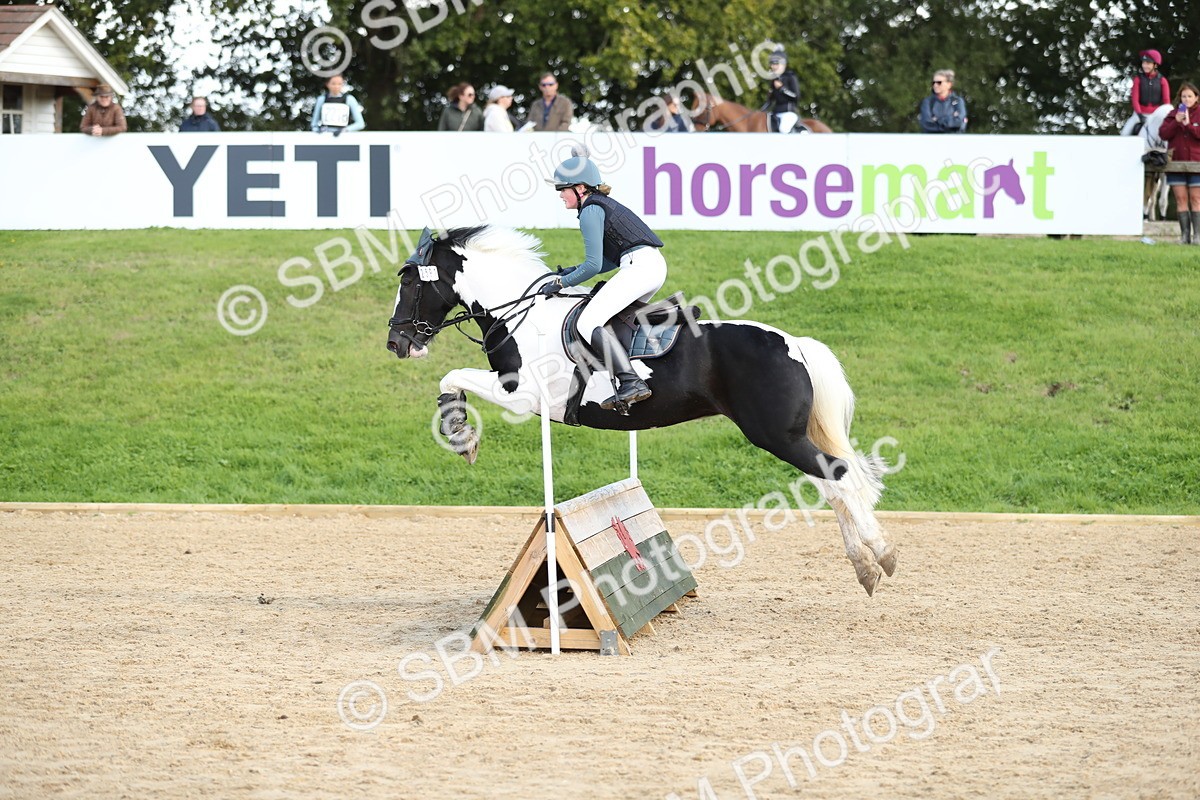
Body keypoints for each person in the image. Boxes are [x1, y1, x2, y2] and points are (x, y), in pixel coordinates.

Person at [538, 155, 666, 410]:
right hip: (649, 266)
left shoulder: (590, 211)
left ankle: (631, 382)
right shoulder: (601, 205)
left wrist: (562, 283)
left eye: (562, 189)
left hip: (639, 268)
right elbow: (608, 262)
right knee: (612, 321)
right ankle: (628, 375)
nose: (560, 195)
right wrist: (573, 270)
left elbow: (594, 265)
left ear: (581, 188)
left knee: (588, 322)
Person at [1158, 82, 1200, 244]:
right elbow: (1163, 134)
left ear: (1196, 97)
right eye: (1184, 96)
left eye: (1190, 96)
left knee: (1196, 199)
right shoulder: (1172, 114)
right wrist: (1176, 121)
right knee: (1181, 199)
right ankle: (1184, 236)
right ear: (1180, 98)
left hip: (1196, 164)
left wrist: (1188, 125)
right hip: (1176, 163)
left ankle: (1197, 236)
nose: (1187, 99)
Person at [1121, 50, 1171, 136]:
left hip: (1156, 115)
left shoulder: (1163, 81)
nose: (1144, 65)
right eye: (1143, 63)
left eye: (1148, 63)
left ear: (1155, 65)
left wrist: (1167, 116)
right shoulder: (1138, 79)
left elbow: (1166, 101)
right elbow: (1135, 99)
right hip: (1139, 114)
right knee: (1124, 133)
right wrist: (1140, 115)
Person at [765, 47, 800, 133]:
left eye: (776, 64)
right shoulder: (774, 80)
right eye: (772, 64)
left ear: (783, 65)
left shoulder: (790, 77)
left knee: (783, 129)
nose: (773, 66)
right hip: (775, 112)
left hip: (788, 113)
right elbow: (770, 102)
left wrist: (782, 88)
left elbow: (796, 96)